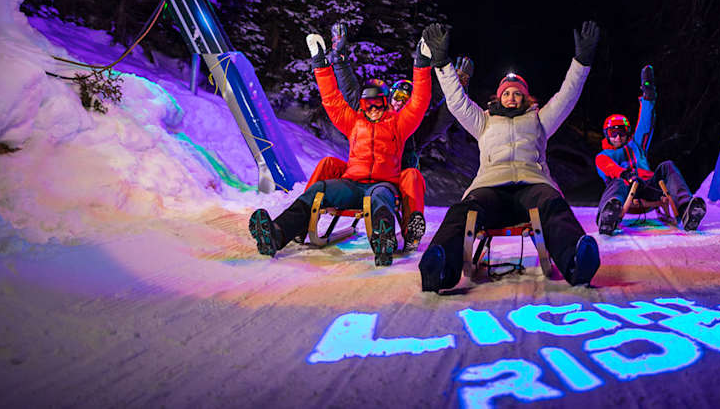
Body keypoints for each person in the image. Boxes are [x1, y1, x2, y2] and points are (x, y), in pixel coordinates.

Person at [417, 21, 603, 291]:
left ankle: (575, 257)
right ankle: (440, 265)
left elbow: (567, 97)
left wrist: (582, 63)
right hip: (490, 188)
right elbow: (457, 102)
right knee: (463, 210)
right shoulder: (484, 121)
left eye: (518, 94)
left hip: (532, 186)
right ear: (499, 96)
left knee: (552, 202)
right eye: (507, 93)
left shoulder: (539, 121)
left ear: (526, 98)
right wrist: (443, 64)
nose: (512, 97)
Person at [248, 23, 431, 265]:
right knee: (318, 190)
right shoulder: (354, 122)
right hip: (352, 185)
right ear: (362, 105)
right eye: (368, 104)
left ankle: (383, 242)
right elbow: (332, 99)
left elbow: (419, 100)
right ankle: (277, 232)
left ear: (386, 103)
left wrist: (422, 65)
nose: (373, 108)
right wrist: (320, 65)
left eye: (378, 103)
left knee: (380, 198)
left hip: (384, 184)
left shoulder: (399, 124)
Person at [302, 23, 430, 250]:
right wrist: (338, 60)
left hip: (392, 182)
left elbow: (429, 108)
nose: (400, 100)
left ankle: (409, 228)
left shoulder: (408, 124)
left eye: (405, 97)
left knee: (410, 175)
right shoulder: (366, 117)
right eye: (397, 95)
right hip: (359, 177)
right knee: (329, 163)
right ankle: (301, 217)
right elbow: (346, 96)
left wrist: (430, 69)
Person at [595, 65, 706, 234]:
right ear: (607, 135)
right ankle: (608, 215)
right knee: (616, 182)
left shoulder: (635, 145)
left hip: (649, 188)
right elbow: (609, 168)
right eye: (613, 133)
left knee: (667, 166)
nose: (618, 137)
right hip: (624, 192)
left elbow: (645, 123)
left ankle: (686, 208)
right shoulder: (603, 156)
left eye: (622, 132)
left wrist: (648, 95)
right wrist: (625, 174)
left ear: (628, 133)